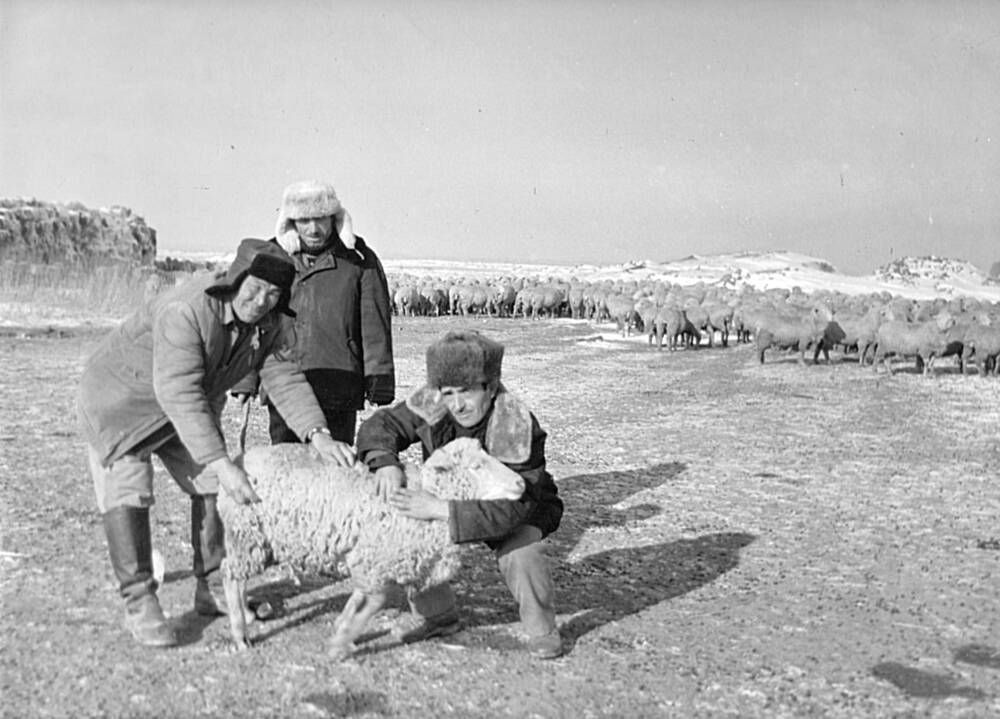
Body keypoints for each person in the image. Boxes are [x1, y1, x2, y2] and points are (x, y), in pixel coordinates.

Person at [77, 238, 355, 648]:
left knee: (214, 488)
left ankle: (213, 586)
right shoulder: (186, 311)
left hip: (182, 409)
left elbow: (283, 376)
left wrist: (319, 434)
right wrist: (222, 462)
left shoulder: (270, 323)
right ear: (236, 279)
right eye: (254, 288)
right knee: (129, 493)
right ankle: (139, 602)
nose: (261, 301)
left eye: (274, 294)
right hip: (123, 404)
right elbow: (179, 391)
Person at [356, 330, 565, 659]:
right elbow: (381, 426)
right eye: (448, 392)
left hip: (518, 503)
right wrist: (383, 462)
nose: (457, 404)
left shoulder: (514, 423)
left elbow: (515, 506)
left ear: (490, 386)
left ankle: (543, 629)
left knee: (520, 551)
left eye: (466, 392)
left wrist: (441, 509)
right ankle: (439, 617)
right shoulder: (435, 402)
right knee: (416, 536)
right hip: (453, 493)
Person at [233, 180, 395, 445]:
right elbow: (252, 318)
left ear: (334, 218)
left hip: (339, 382)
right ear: (291, 221)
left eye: (320, 219)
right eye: (304, 220)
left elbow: (374, 323)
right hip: (284, 383)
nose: (313, 229)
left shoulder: (358, 261)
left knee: (334, 468)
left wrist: (380, 378)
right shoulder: (272, 257)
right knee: (290, 467)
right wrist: (244, 377)